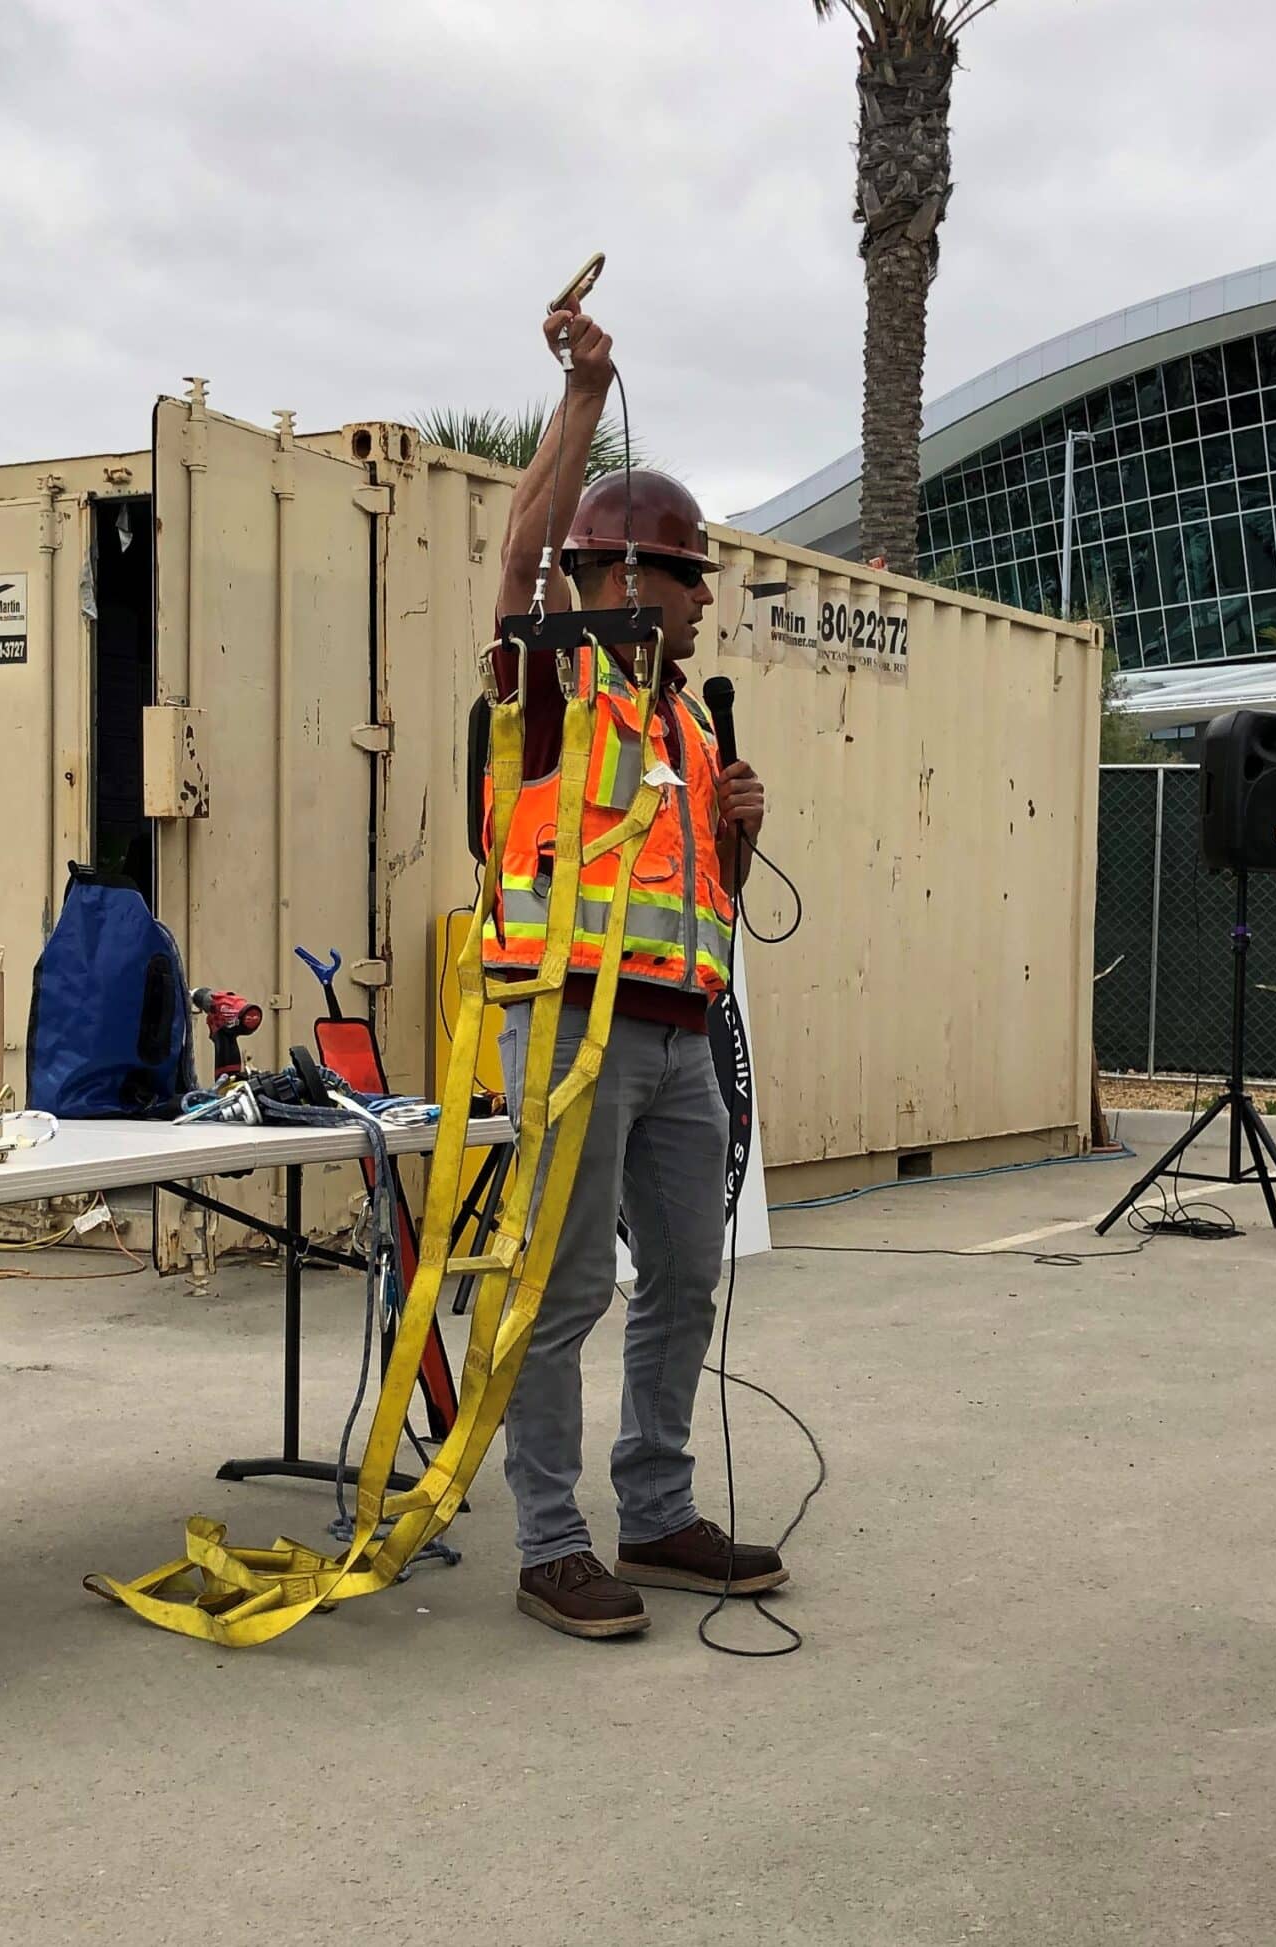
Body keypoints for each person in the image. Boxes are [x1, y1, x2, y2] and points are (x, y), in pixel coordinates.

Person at [480, 301, 787, 1639]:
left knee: (686, 1277)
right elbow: (516, 558)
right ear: (616, 580)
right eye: (686, 575)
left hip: (675, 1040)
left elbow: (690, 902)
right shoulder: (553, 682)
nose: (706, 598)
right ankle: (551, 1542)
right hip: (564, 1033)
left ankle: (654, 1510)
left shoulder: (684, 725)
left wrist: (734, 840)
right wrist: (586, 403)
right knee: (562, 1292)